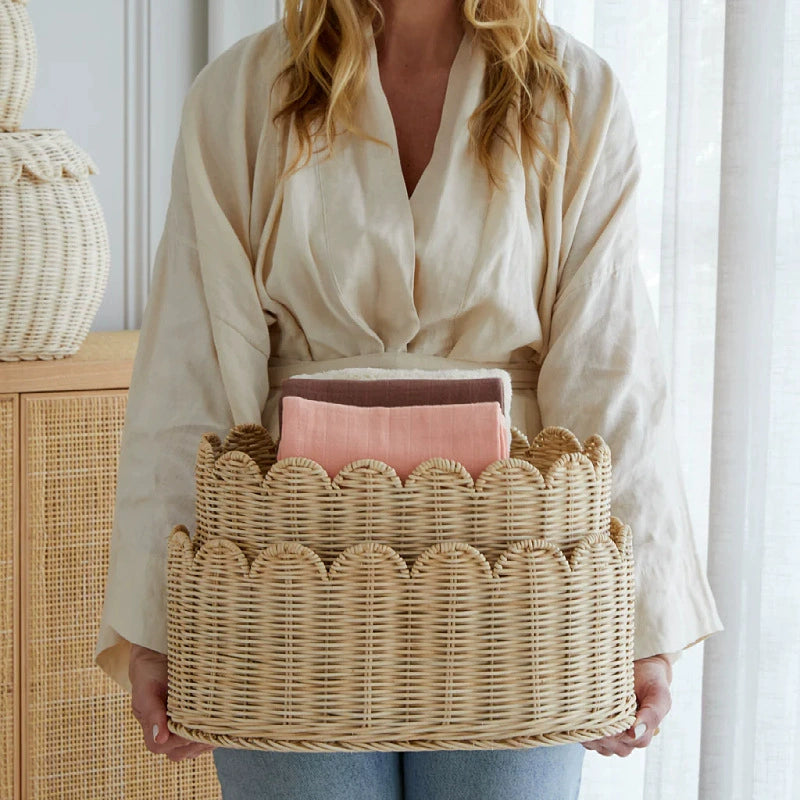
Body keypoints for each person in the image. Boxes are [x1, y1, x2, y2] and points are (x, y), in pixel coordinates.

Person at [95, 0, 724, 797]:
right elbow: (192, 363)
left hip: (517, 587)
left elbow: (611, 365)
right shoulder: (240, 93)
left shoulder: (575, 95)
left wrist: (636, 625)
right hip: (288, 586)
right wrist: (159, 619)